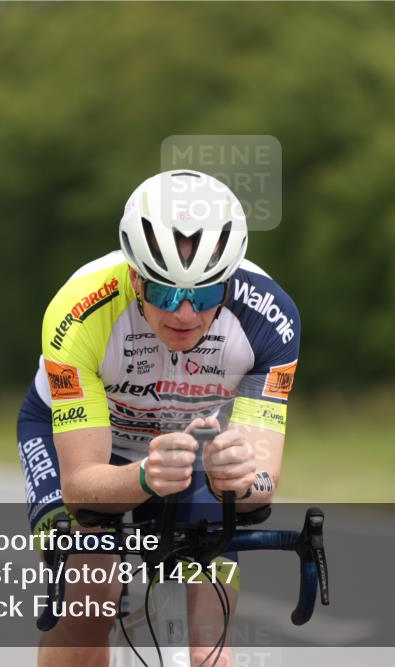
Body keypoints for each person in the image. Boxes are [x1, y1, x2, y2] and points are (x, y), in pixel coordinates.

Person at [17, 169, 300, 667]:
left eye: (207, 294)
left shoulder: (271, 318)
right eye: (166, 294)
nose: (186, 313)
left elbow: (263, 482)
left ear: (229, 282)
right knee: (90, 604)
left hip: (187, 449)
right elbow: (82, 484)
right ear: (134, 277)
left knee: (209, 650)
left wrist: (238, 475)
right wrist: (145, 476)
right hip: (90, 446)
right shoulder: (78, 313)